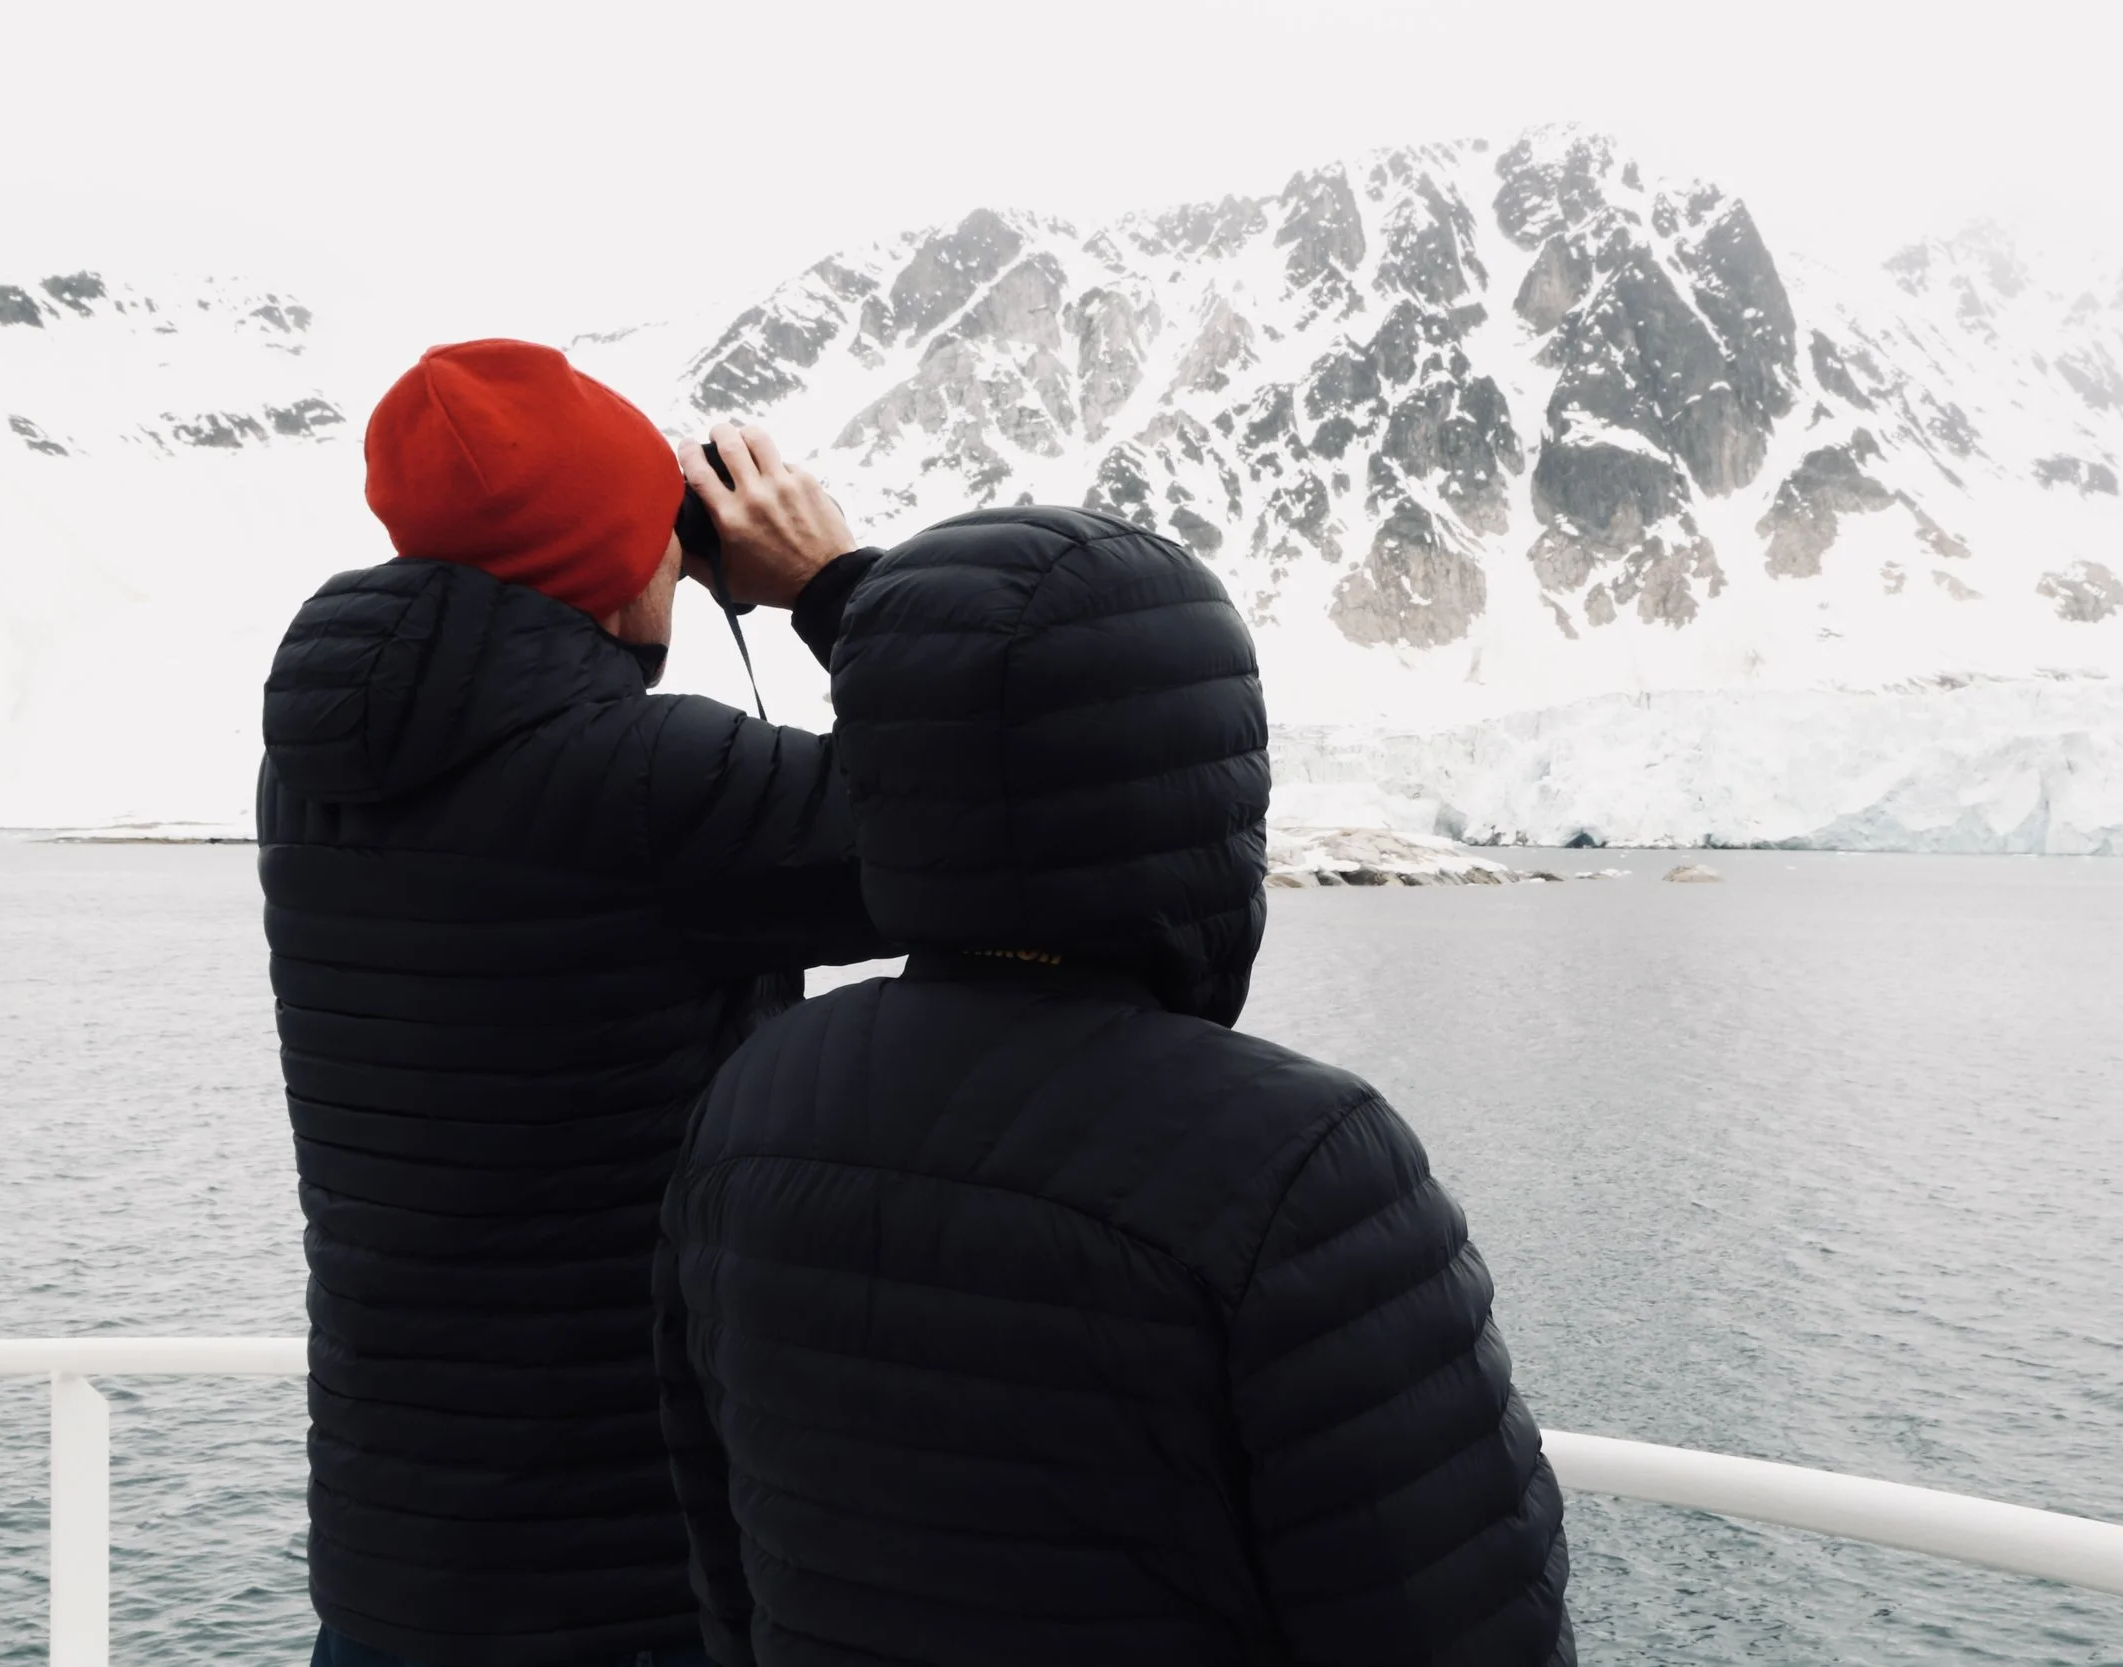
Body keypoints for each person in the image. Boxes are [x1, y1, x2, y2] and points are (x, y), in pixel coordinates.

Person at [653, 506, 1575, 1666]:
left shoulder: (753, 1103)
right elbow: (1460, 1622)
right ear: (1205, 790)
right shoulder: (1295, 1165)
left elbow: (724, 1558)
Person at [259, 338, 888, 1667]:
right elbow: (989, 814)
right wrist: (836, 588)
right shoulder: (641, 786)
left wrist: (629, 568)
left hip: (398, 1555)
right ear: (611, 559)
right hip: (628, 1568)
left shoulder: (326, 757)